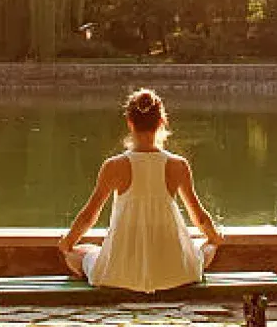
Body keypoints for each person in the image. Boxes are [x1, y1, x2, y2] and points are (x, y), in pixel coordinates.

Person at [57, 88, 223, 293]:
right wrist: (214, 238)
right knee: (205, 248)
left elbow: (89, 216)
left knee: (79, 253)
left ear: (129, 122)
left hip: (120, 274)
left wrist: (67, 243)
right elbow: (199, 218)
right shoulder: (178, 165)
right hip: (174, 272)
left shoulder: (113, 166)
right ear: (162, 122)